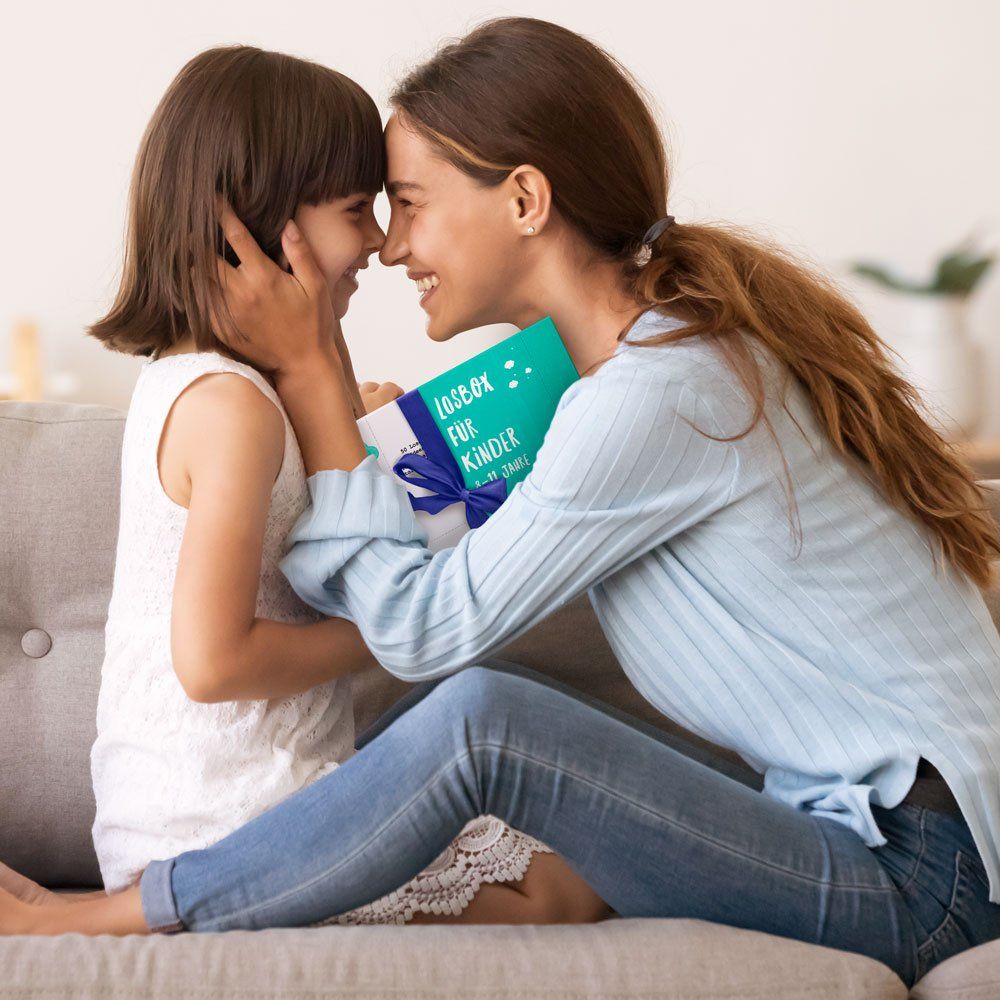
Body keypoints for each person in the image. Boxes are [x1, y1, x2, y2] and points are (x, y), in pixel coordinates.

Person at [5, 16, 1000, 988]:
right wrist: (350, 429)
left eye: (408, 202)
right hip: (875, 830)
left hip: (920, 871)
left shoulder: (657, 394)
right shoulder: (630, 373)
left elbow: (422, 629)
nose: (391, 247)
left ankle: (123, 909)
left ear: (525, 198)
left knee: (487, 717)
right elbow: (422, 550)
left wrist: (314, 369)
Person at [0, 42, 603, 930]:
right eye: (357, 210)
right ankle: (136, 911)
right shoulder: (230, 411)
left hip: (244, 800)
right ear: (257, 221)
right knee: (563, 890)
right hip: (227, 819)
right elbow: (212, 664)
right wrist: (383, 635)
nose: (377, 241)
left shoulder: (229, 393)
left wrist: (353, 409)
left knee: (566, 868)